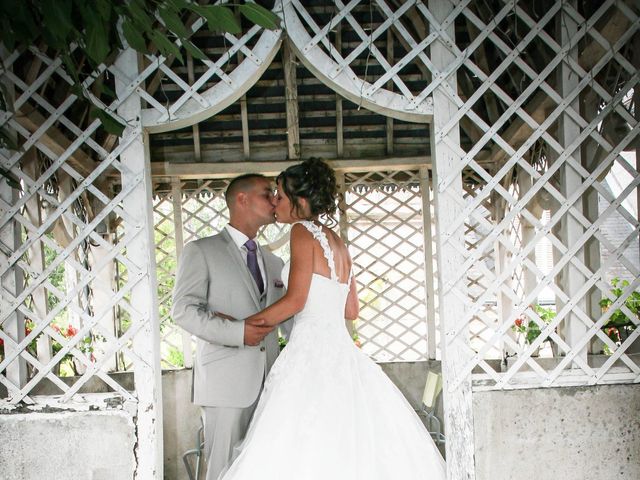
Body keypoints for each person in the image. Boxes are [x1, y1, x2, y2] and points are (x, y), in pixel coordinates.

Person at [218, 159, 446, 479]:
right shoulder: (338, 243)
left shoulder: (301, 232)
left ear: (300, 200)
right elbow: (351, 309)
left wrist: (243, 325)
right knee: (345, 439)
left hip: (310, 352)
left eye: (280, 196)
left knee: (299, 441)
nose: (275, 204)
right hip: (343, 351)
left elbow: (296, 301)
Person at [171, 174, 289, 480]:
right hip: (225, 385)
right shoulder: (202, 251)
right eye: (268, 194)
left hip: (271, 385)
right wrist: (238, 333)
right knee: (223, 471)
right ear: (243, 199)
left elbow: (287, 321)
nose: (275, 200)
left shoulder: (275, 262)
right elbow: (183, 311)